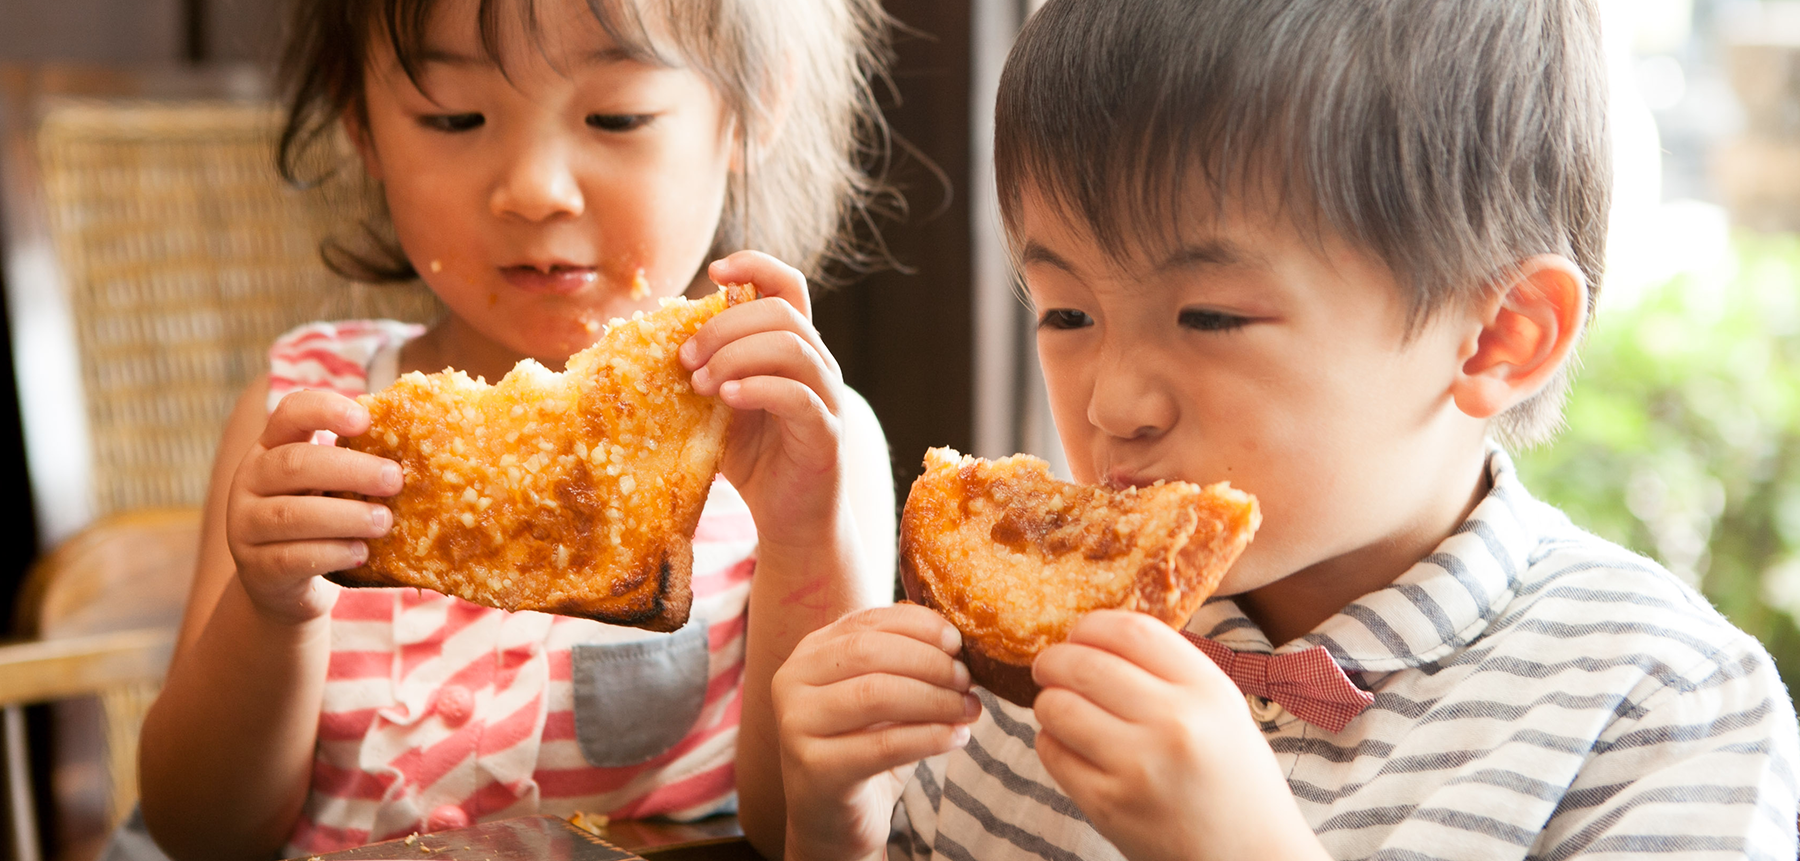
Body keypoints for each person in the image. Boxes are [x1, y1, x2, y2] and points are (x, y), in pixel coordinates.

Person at [767, 1, 1800, 859]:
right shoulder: (1016, 664)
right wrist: (839, 828)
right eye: (1067, 314)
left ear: (1498, 336)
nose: (1112, 403)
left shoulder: (1660, 707)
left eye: (1210, 317)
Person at [134, 0, 897, 858]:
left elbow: (810, 831)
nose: (535, 188)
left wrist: (803, 531)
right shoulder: (308, 421)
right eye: (454, 117)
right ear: (362, 125)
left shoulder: (805, 445)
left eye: (617, 116)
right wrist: (274, 611)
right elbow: (197, 829)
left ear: (750, 110)